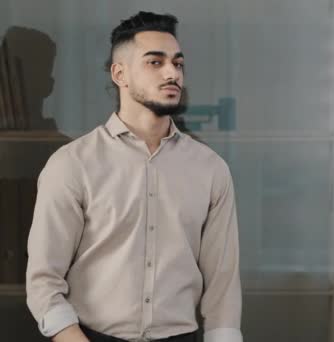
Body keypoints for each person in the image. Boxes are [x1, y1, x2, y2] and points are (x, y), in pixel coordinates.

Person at [26, 11, 242, 342]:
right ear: (119, 74)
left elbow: (223, 287)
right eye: (155, 62)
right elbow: (43, 281)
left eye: (178, 63)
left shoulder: (211, 169)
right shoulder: (71, 165)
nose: (172, 73)